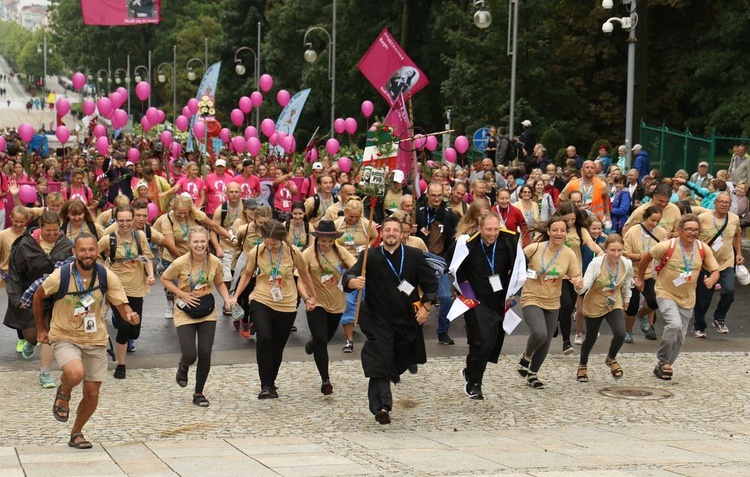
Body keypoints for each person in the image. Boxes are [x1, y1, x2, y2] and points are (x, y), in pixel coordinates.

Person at [32, 233, 138, 449]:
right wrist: (41, 329)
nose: (87, 254)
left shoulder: (106, 276)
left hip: (95, 338)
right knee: (75, 373)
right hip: (64, 335)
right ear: (74, 252)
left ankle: (77, 433)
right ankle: (65, 389)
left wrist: (129, 314)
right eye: (82, 250)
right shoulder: (60, 275)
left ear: (96, 252)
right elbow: (38, 296)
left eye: (91, 250)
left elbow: (121, 303)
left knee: (92, 392)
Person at [343, 216, 438, 424]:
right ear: (381, 233)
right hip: (378, 319)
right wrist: (353, 281)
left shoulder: (414, 256)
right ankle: (382, 407)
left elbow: (431, 284)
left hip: (406, 319)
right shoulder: (371, 255)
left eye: (396, 230)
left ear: (402, 233)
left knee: (396, 358)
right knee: (379, 358)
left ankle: (391, 378)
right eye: (388, 230)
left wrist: (425, 308)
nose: (392, 234)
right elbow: (349, 275)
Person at [231, 220, 317, 399]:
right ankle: (265, 385)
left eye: (274, 244)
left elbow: (304, 273)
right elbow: (247, 274)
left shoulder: (293, 253)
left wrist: (311, 296)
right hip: (262, 298)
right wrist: (235, 296)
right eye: (267, 243)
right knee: (264, 337)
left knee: (277, 347)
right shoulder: (257, 251)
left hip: (286, 303)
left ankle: (270, 383)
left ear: (282, 239)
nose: (270, 247)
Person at [634, 214, 720, 380]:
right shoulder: (667, 246)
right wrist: (640, 278)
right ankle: (663, 360)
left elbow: (715, 270)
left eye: (695, 230)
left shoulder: (702, 248)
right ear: (680, 231)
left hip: (688, 297)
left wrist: (712, 279)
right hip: (665, 292)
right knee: (674, 325)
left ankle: (664, 365)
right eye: (688, 229)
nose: (692, 233)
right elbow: (646, 257)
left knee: (680, 336)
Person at [447, 212, 519, 399]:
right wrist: (464, 291)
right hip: (476, 300)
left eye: (496, 229)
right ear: (480, 228)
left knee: (492, 342)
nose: (493, 233)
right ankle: (475, 383)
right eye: (488, 229)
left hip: (498, 299)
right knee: (481, 340)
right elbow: (453, 265)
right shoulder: (468, 245)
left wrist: (512, 292)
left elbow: (518, 267)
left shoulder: (507, 243)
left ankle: (471, 369)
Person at [160, 227, 231, 407]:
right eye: (196, 242)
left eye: (202, 241)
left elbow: (220, 283)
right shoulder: (180, 262)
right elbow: (165, 279)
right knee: (190, 354)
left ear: (207, 242)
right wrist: (181, 294)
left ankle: (199, 392)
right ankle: (183, 366)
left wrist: (227, 300)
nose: (199, 245)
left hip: (207, 309)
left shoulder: (214, 262)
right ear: (189, 243)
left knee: (205, 352)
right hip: (185, 310)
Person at [519, 216, 583, 388]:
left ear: (566, 233)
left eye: (562, 230)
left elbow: (576, 276)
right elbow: (516, 264)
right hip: (531, 296)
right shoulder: (534, 248)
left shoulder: (569, 254)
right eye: (555, 230)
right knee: (539, 333)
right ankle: (526, 355)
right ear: (548, 231)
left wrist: (577, 282)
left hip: (553, 301)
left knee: (546, 341)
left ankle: (532, 374)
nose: (558, 233)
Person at [299, 220, 356, 395]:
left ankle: (313, 342)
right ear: (317, 239)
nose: (326, 244)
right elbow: (299, 279)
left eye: (329, 241)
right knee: (321, 338)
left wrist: (356, 278)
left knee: (326, 337)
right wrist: (307, 297)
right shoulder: (308, 254)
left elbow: (356, 268)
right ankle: (325, 380)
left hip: (337, 301)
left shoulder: (341, 252)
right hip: (316, 301)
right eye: (323, 241)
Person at [97, 207, 154, 379]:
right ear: (115, 220)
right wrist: (101, 274)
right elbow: (96, 257)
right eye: (120, 220)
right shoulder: (109, 240)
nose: (125, 224)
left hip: (136, 287)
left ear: (134, 219)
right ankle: (120, 365)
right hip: (116, 289)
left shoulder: (140, 237)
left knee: (133, 331)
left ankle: (121, 322)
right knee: (124, 326)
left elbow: (146, 257)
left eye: (128, 220)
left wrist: (150, 274)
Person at [574, 234, 633, 382]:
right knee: (591, 337)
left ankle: (611, 358)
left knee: (620, 333)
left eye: (619, 250)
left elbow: (626, 282)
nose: (616, 254)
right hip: (595, 301)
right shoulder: (596, 263)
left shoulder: (626, 264)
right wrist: (578, 286)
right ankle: (583, 364)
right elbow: (584, 286)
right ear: (605, 249)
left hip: (614, 301)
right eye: (612, 250)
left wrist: (626, 299)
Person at [692, 193, 743, 337]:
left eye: (727, 202)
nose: (724, 204)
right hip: (706, 264)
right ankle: (699, 327)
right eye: (721, 202)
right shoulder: (703, 219)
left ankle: (719, 318)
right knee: (703, 298)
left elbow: (737, 235)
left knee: (729, 291)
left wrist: (739, 253)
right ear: (715, 203)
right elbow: (692, 236)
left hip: (726, 262)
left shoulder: (734, 219)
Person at [415, 182, 460, 345]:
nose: (436, 198)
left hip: (441, 261)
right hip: (421, 261)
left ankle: (443, 332)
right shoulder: (418, 212)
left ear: (444, 195)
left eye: (439, 195)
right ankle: (416, 326)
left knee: (446, 298)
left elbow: (456, 236)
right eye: (433, 195)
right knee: (416, 296)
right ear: (427, 195)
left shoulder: (449, 215)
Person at [334, 198, 379, 352]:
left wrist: (366, 247)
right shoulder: (337, 224)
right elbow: (329, 241)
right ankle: (349, 340)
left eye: (356, 217)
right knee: (346, 302)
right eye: (350, 216)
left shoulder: (367, 224)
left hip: (362, 267)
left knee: (365, 302)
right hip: (344, 268)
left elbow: (374, 237)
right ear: (345, 212)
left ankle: (371, 337)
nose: (353, 219)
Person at [622, 206, 666, 343]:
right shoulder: (632, 232)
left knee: (654, 301)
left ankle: (643, 315)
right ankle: (628, 332)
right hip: (633, 273)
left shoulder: (661, 232)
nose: (654, 224)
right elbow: (625, 252)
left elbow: (665, 250)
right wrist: (640, 256)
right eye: (652, 220)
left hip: (651, 273)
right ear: (645, 218)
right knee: (632, 305)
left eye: (657, 221)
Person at [210, 182, 242, 293]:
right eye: (231, 192)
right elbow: (213, 230)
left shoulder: (246, 208)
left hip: (242, 249)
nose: (234, 194)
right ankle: (227, 301)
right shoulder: (221, 210)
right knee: (226, 278)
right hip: (226, 248)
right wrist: (217, 247)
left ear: (241, 193)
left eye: (236, 192)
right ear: (226, 193)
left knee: (241, 277)